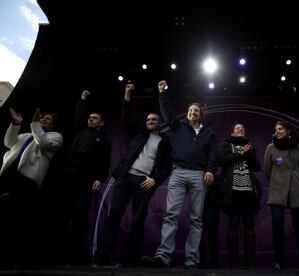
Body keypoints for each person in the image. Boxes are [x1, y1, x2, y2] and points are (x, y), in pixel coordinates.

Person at [93, 82, 172, 267]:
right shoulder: (139, 134)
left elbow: (166, 166)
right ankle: (101, 259)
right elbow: (126, 117)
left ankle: (130, 261)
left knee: (137, 221)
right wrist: (127, 95)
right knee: (114, 217)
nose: (150, 122)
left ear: (160, 123)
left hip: (143, 182)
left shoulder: (164, 142)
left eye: (153, 120)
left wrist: (154, 179)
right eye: (147, 120)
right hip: (126, 178)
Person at [141, 80, 218, 269]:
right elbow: (166, 112)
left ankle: (191, 260)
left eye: (196, 111)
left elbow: (213, 155)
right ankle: (163, 257)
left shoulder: (209, 133)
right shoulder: (179, 126)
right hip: (178, 173)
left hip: (199, 176)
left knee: (196, 220)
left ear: (201, 114)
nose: (193, 113)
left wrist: (210, 170)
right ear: (188, 113)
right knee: (170, 215)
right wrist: (162, 93)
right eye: (190, 110)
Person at [0, 107, 63, 267]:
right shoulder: (26, 135)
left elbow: (42, 142)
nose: (43, 120)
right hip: (9, 175)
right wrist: (15, 124)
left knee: (19, 220)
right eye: (41, 117)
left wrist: (35, 124)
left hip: (26, 180)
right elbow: (8, 142)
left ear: (53, 124)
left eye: (48, 119)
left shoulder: (55, 136)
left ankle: (17, 259)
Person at [62, 90, 111, 265]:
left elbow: (104, 162)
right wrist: (82, 100)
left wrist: (99, 178)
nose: (90, 119)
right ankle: (60, 252)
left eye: (95, 118)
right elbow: (79, 116)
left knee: (80, 217)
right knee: (64, 215)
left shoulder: (103, 140)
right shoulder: (80, 132)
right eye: (89, 117)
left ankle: (76, 255)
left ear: (102, 123)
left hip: (86, 180)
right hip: (69, 177)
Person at [263, 121, 299, 271]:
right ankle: (279, 261)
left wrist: (295, 182)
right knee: (278, 226)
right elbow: (267, 171)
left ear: (288, 131)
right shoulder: (271, 147)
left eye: (280, 129)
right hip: (277, 191)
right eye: (276, 129)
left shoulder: (298, 147)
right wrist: (277, 182)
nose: (277, 132)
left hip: (297, 191)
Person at [215, 123, 261, 269]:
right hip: (232, 190)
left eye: (242, 129)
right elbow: (221, 161)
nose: (240, 130)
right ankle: (233, 262)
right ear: (232, 133)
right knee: (233, 223)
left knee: (249, 224)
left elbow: (257, 167)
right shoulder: (226, 145)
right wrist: (241, 154)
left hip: (248, 190)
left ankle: (250, 262)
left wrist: (249, 153)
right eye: (237, 129)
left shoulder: (250, 147)